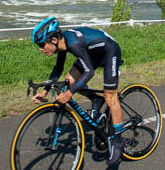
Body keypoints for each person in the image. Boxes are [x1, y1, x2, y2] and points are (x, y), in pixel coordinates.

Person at [31, 16, 125, 166]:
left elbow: (89, 73)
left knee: (110, 96)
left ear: (54, 40)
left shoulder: (73, 44)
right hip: (91, 54)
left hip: (109, 52)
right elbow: (58, 69)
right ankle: (95, 99)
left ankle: (118, 141)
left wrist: (70, 93)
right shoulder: (62, 45)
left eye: (42, 45)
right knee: (68, 82)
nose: (41, 49)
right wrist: (45, 91)